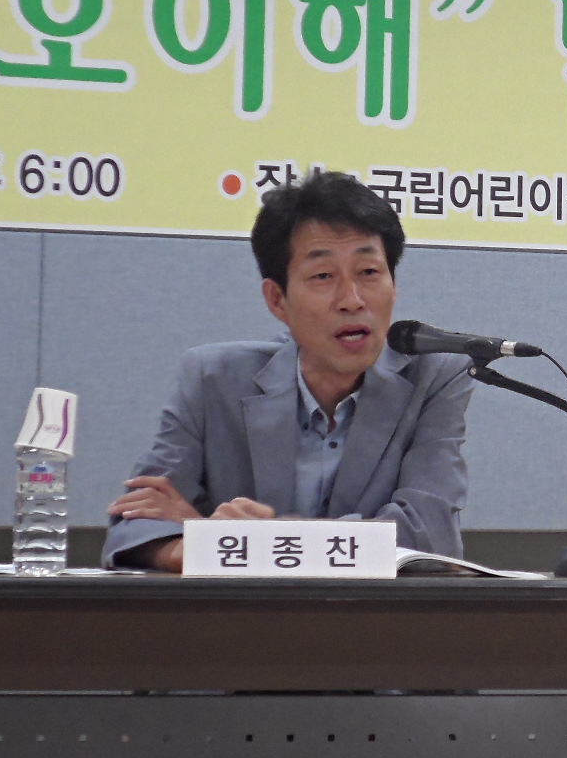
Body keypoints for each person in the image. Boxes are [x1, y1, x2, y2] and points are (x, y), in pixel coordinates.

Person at [101, 171, 476, 571]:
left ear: (394, 285)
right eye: (323, 276)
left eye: (369, 272)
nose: (352, 300)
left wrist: (245, 540)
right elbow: (136, 522)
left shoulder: (434, 377)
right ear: (277, 299)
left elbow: (427, 536)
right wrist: (207, 545)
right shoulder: (213, 379)